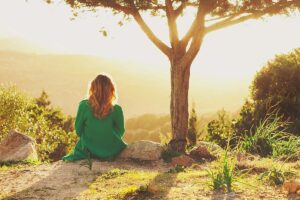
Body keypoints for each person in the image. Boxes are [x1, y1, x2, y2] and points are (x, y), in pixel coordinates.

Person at [62, 74, 127, 161]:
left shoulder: (83, 105)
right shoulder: (117, 109)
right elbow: (121, 131)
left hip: (87, 150)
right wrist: (106, 138)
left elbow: (78, 130)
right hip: (110, 150)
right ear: (111, 90)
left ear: (92, 89)